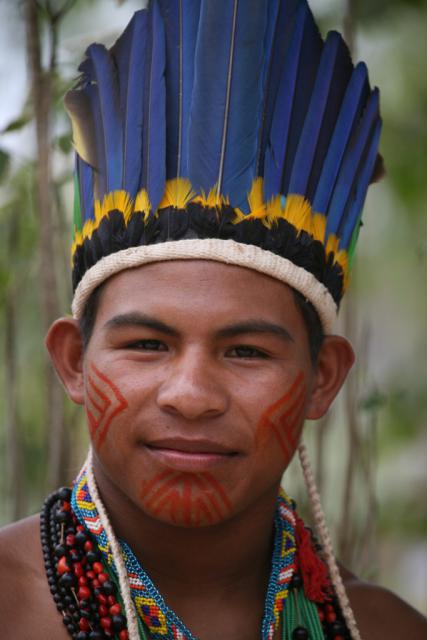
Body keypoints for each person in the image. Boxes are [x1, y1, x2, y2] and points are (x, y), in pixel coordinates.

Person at [0, 1, 426, 639]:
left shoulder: (382, 628)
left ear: (323, 378)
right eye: (147, 343)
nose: (192, 397)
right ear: (72, 361)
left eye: (247, 352)